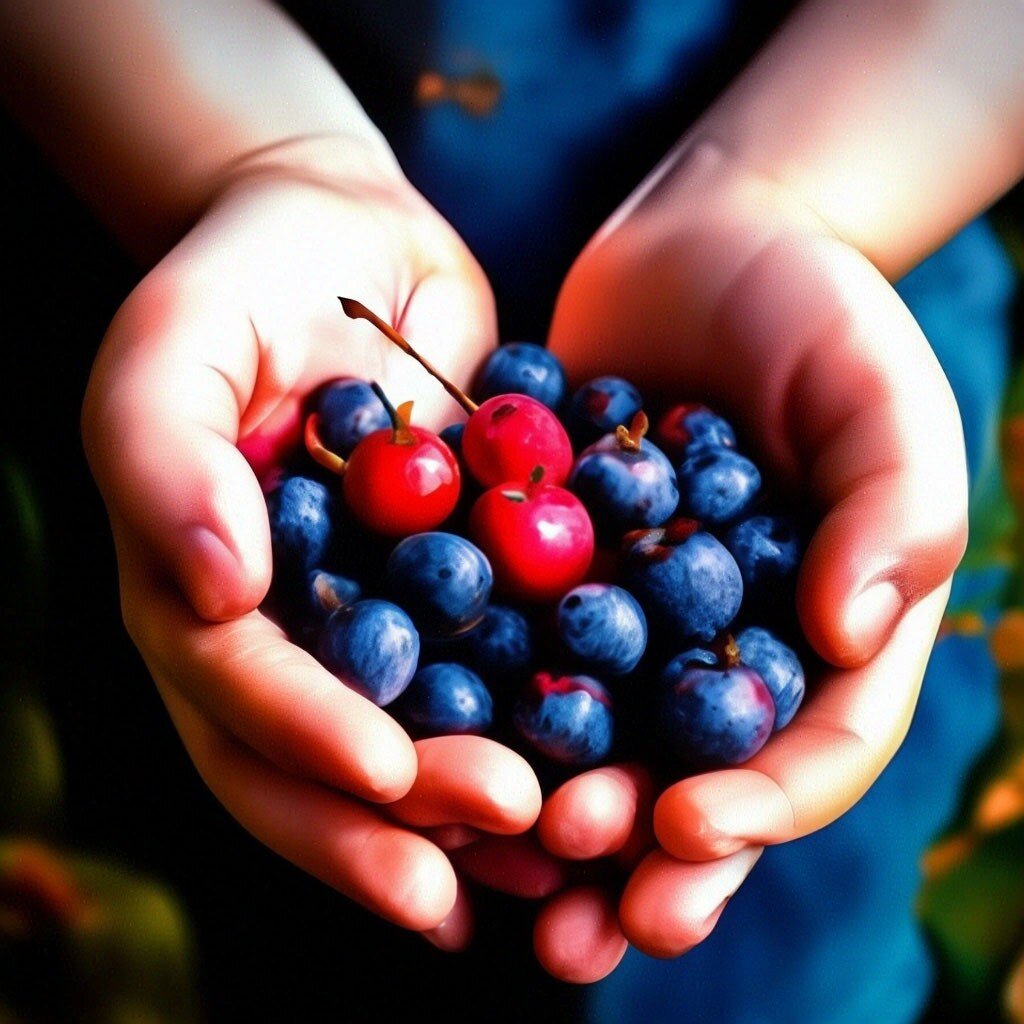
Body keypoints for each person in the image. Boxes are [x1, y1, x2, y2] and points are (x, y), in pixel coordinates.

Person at [0, 0, 1020, 1019]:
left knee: (789, 956)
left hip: (856, 206)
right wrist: (250, 156)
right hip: (200, 253)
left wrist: (786, 201)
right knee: (272, 904)